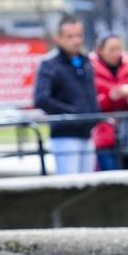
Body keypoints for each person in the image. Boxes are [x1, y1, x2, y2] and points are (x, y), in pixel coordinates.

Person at [33, 14, 100, 175]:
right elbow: (41, 98)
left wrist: (95, 113)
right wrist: (71, 112)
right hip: (65, 136)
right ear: (58, 38)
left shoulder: (85, 61)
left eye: (79, 36)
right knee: (70, 186)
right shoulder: (50, 64)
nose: (76, 41)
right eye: (70, 36)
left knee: (89, 187)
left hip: (87, 133)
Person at [89, 35, 128, 171]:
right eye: (112, 49)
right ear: (100, 50)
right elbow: (89, 103)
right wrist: (110, 97)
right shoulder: (90, 70)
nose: (116, 53)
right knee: (112, 181)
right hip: (104, 136)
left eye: (119, 49)